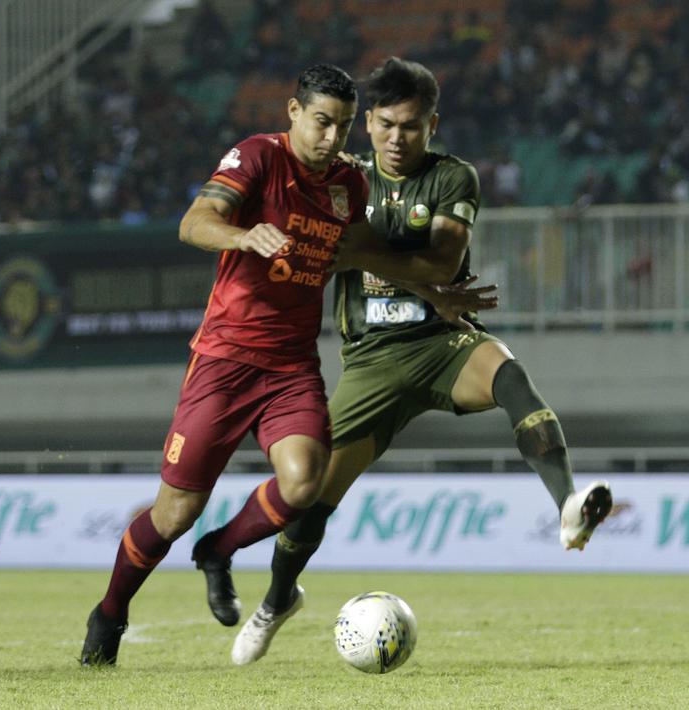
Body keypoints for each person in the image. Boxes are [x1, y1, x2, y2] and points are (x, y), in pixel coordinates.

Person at [79, 64, 494, 667]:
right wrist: (243, 236)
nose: (332, 138)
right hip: (225, 360)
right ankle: (110, 612)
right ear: (294, 112)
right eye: (322, 122)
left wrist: (436, 294)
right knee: (175, 513)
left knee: (304, 481)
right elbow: (193, 223)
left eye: (344, 126)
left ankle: (219, 550)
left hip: (292, 365)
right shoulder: (256, 158)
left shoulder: (349, 185)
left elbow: (365, 255)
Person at [221, 58, 614, 666]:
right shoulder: (341, 179)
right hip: (371, 360)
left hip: (440, 342)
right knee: (308, 501)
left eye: (410, 127)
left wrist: (356, 251)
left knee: (509, 373)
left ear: (432, 124)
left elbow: (437, 266)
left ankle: (566, 505)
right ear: (367, 123)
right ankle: (277, 600)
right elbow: (324, 247)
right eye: (384, 126)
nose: (396, 140)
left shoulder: (453, 178)